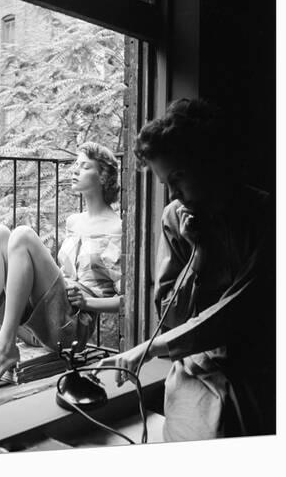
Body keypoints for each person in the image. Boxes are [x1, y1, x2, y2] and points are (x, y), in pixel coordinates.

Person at [98, 98, 275, 441]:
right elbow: (170, 315)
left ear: (208, 162)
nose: (174, 194)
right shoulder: (176, 219)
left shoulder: (265, 215)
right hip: (195, 362)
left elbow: (239, 311)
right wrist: (198, 254)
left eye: (178, 178)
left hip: (255, 363)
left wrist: (150, 348)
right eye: (167, 185)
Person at [0, 142, 122, 393]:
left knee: (22, 235)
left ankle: (4, 346)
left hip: (70, 329)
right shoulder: (73, 221)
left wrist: (87, 303)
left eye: (84, 166)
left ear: (104, 177)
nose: (74, 170)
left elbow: (127, 301)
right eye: (75, 164)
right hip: (39, 325)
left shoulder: (116, 227)